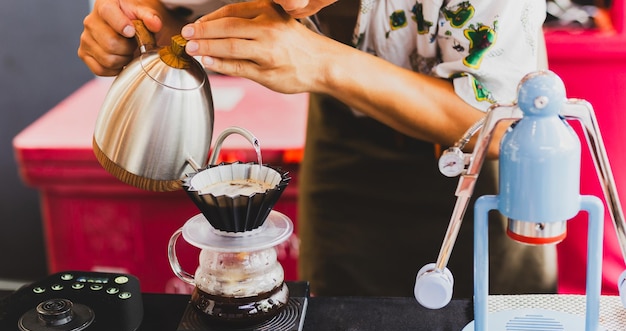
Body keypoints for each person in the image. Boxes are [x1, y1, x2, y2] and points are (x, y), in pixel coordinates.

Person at [79, 0, 556, 299]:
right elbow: (175, 17)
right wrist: (138, 23)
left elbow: (500, 126)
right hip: (346, 145)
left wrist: (324, 63)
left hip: (489, 178)